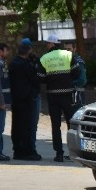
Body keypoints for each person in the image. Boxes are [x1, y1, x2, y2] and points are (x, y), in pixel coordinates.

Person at [37, 34, 80, 162]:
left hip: (53, 96)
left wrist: (51, 79)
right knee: (70, 124)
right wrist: (67, 79)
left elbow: (40, 77)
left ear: (52, 45)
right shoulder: (68, 55)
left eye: (47, 43)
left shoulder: (44, 58)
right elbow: (77, 73)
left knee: (55, 125)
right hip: (68, 95)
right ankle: (73, 153)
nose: (46, 45)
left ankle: (59, 154)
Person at [8, 39, 42, 160]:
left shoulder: (13, 63)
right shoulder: (26, 65)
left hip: (16, 99)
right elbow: (36, 80)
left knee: (16, 125)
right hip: (27, 99)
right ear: (28, 51)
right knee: (27, 126)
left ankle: (17, 150)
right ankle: (27, 152)